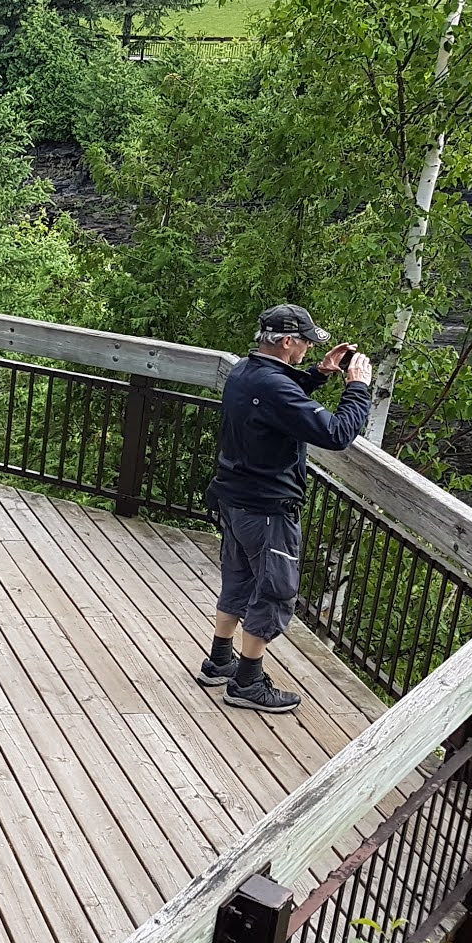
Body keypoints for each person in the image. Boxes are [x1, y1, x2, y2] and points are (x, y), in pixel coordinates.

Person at [197, 305, 372, 713]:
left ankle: (221, 659)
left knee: (238, 578)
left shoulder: (243, 371)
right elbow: (337, 433)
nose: (310, 348)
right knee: (274, 590)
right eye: (307, 342)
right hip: (268, 508)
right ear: (288, 342)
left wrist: (318, 375)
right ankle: (248, 682)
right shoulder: (274, 386)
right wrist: (357, 387)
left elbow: (276, 402)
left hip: (233, 497)